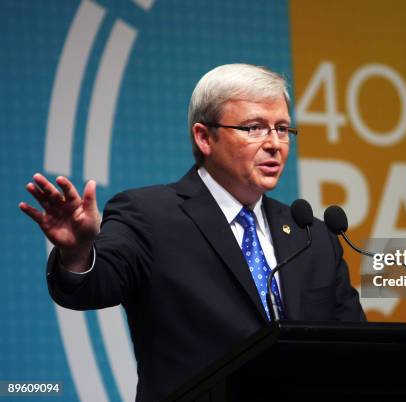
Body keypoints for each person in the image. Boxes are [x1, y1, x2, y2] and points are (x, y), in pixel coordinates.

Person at [20, 64, 365, 401]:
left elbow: (356, 350)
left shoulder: (313, 237)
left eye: (282, 129)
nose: (275, 143)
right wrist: (79, 252)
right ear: (204, 137)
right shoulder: (149, 215)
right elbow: (92, 287)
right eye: (255, 128)